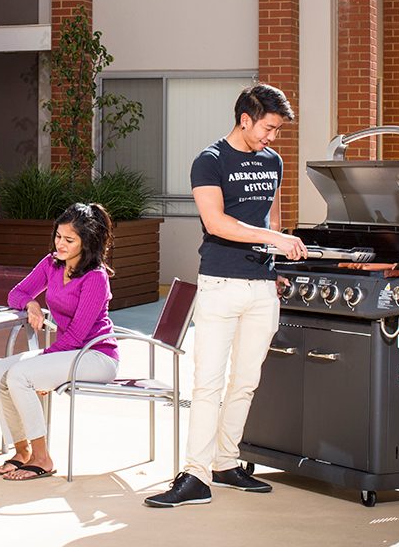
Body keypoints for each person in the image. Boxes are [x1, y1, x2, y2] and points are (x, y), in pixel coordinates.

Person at [145, 84, 307, 508]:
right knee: (208, 384)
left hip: (262, 287)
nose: (271, 137)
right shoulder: (210, 161)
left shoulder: (273, 161)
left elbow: (274, 214)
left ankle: (225, 461)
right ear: (245, 119)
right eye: (268, 128)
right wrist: (275, 236)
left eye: (276, 130)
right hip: (220, 284)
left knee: (246, 382)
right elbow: (216, 223)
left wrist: (279, 264)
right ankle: (195, 475)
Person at [0, 203, 119, 481]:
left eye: (69, 240)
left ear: (87, 242)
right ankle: (22, 453)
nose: (60, 243)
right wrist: (31, 303)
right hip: (69, 353)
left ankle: (42, 458)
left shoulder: (95, 278)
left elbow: (77, 337)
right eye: (58, 236)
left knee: (21, 375)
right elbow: (16, 293)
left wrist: (44, 365)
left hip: (95, 357)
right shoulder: (51, 264)